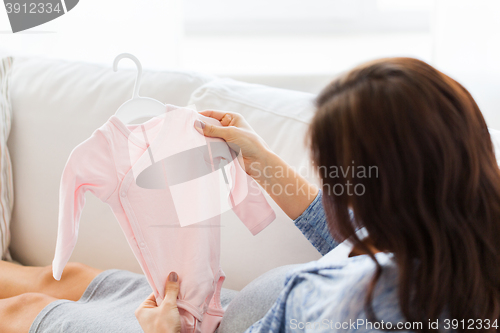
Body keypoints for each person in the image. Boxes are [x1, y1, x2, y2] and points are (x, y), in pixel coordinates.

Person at [1, 57, 499, 333]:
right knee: (53, 276)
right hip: (227, 308)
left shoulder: (356, 313)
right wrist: (262, 162)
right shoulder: (459, 242)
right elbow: (354, 238)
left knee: (20, 311)